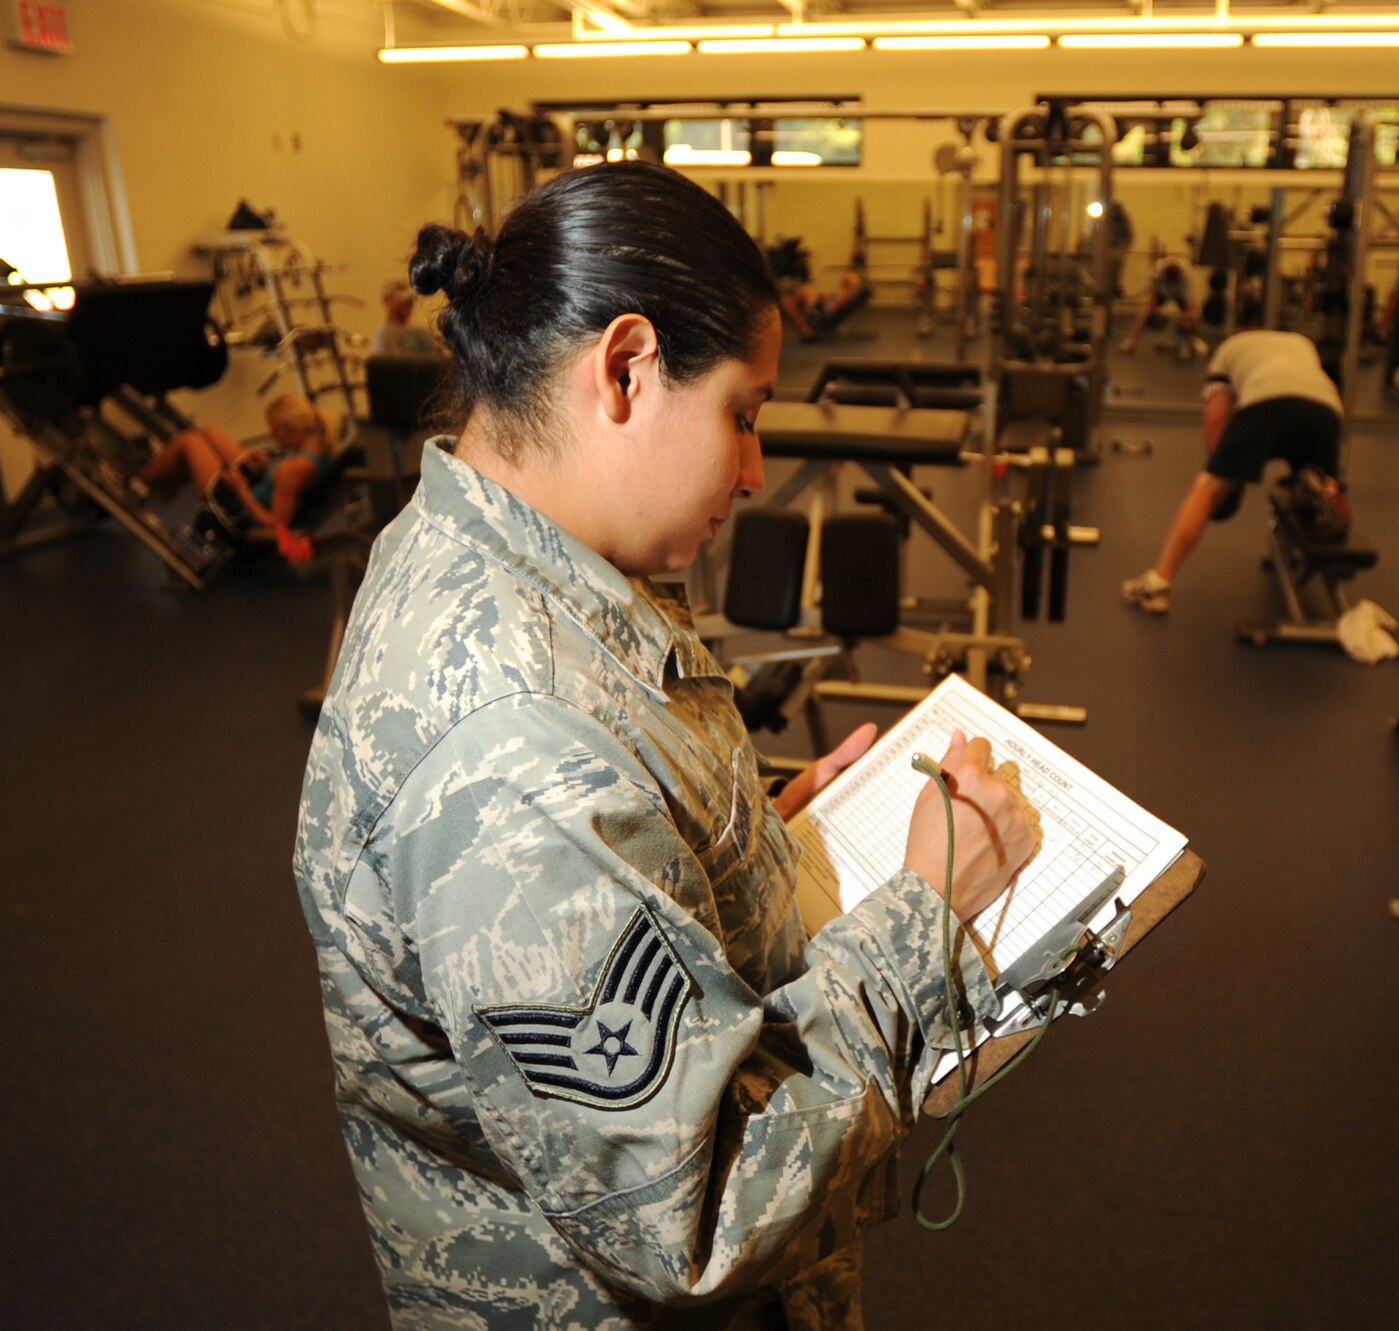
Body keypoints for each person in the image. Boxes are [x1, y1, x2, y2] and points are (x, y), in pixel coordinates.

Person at [292, 161, 1036, 1330]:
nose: (752, 468)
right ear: (627, 366)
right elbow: (694, 1209)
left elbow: (605, 846)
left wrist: (750, 841)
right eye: (742, 412)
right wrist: (925, 918)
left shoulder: (496, 546)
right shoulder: (513, 749)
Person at [1121, 325, 1345, 614]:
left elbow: (1215, 420)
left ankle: (1158, 581)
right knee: (1321, 484)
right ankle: (1319, 511)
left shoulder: (1229, 348)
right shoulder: (1301, 341)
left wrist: (1222, 480)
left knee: (1207, 487)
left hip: (1268, 402)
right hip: (1326, 409)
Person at [131, 391, 332, 539]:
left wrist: (241, 490)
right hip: (258, 485)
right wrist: (269, 465)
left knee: (188, 440)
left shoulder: (292, 470)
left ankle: (133, 488)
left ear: (295, 432)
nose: (271, 435)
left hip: (232, 509)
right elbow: (284, 482)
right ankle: (160, 485)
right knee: (211, 432)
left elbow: (276, 524)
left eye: (275, 431)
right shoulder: (319, 445)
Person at [1117, 255, 1203, 357]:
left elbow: (1190, 302)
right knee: (1146, 311)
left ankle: (1193, 341)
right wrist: (1152, 312)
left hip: (1180, 292)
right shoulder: (1157, 271)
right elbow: (1152, 299)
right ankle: (1131, 341)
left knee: (1192, 313)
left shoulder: (1187, 273)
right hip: (1162, 291)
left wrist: (1187, 317)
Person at [371, 277, 439, 357]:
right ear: (387, 301)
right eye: (403, 300)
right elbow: (386, 367)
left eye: (410, 301)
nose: (409, 304)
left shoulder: (420, 331)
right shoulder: (383, 334)